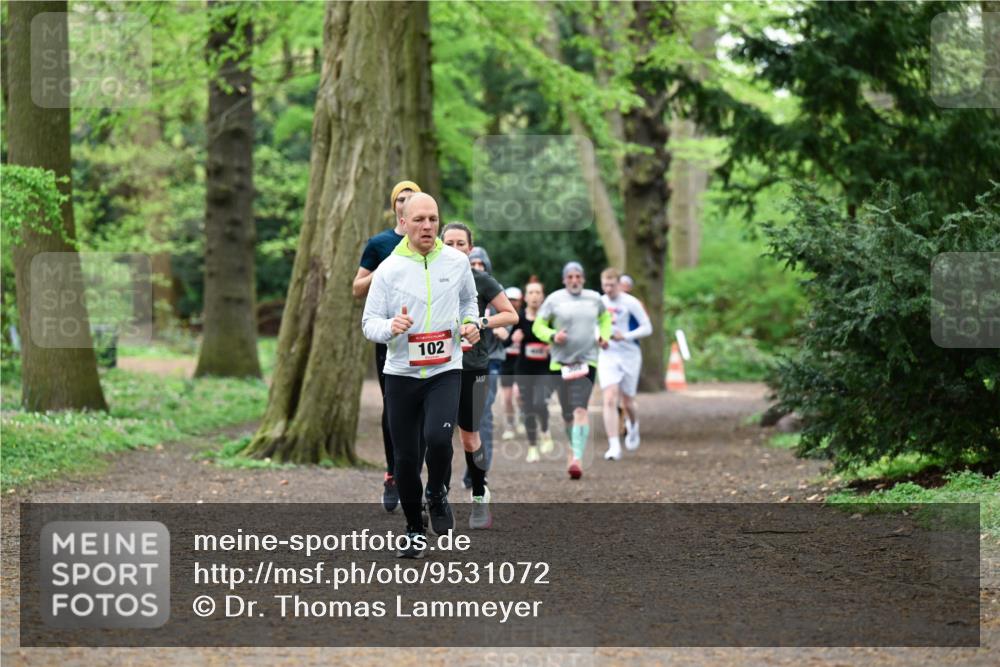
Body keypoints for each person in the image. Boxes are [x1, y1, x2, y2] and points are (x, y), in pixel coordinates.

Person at [362, 193, 481, 557]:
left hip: (445, 369)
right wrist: (391, 327)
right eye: (419, 220)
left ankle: (437, 492)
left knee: (439, 439)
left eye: (433, 219)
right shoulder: (388, 269)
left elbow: (469, 301)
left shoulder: (456, 262)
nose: (428, 226)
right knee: (406, 459)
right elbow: (369, 323)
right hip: (401, 373)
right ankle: (414, 528)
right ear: (404, 222)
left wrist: (471, 323)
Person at [441, 226, 518, 529]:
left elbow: (510, 314)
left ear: (470, 249)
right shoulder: (429, 278)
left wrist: (480, 322)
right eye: (449, 243)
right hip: (438, 366)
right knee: (437, 435)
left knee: (469, 436)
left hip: (473, 366)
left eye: (461, 243)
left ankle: (478, 492)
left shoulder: (481, 279)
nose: (455, 248)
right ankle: (438, 495)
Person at [352, 180, 421, 513]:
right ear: (395, 206)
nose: (405, 203)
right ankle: (393, 473)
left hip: (426, 336)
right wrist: (382, 270)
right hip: (391, 337)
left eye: (412, 198)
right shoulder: (380, 244)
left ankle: (418, 476)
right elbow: (357, 288)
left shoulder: (428, 243)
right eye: (401, 199)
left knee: (426, 407)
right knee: (393, 406)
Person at [532, 261, 612, 479]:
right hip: (561, 364)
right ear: (564, 280)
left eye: (578, 276)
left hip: (587, 361)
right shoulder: (554, 299)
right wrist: (552, 335)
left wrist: (604, 336)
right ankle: (571, 450)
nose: (574, 280)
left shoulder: (594, 298)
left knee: (580, 410)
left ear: (583, 279)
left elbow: (605, 319)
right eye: (570, 277)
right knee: (568, 414)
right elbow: (538, 326)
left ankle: (576, 457)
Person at [598, 268, 653, 460]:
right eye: (605, 285)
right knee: (609, 398)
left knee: (627, 401)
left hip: (629, 354)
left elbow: (647, 328)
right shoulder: (599, 303)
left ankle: (633, 424)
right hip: (608, 354)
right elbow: (594, 325)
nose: (608, 289)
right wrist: (599, 338)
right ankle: (614, 446)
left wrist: (626, 336)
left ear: (619, 284)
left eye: (612, 285)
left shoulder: (631, 303)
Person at [514, 277, 556, 462]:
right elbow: (506, 340)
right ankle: (532, 447)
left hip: (544, 369)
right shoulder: (519, 318)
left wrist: (553, 345)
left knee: (540, 403)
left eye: (538, 292)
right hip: (524, 369)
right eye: (531, 292)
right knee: (528, 407)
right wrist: (512, 337)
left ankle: (545, 432)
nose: (534, 296)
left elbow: (560, 338)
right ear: (525, 297)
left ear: (543, 296)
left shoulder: (549, 319)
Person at [499, 286, 524, 441]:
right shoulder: (501, 318)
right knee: (507, 398)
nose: (513, 303)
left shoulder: (524, 318)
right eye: (510, 300)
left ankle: (521, 417)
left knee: (519, 394)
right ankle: (509, 425)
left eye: (515, 300)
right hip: (506, 363)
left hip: (521, 363)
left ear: (521, 301)